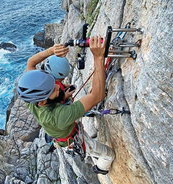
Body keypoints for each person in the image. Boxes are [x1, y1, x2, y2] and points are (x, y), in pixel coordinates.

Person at [16, 36, 115, 175]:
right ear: (43, 101)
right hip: (73, 139)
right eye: (53, 89)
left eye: (54, 82)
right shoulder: (59, 116)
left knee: (91, 148)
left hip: (64, 131)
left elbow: (30, 63)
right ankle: (101, 168)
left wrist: (51, 50)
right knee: (108, 155)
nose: (59, 87)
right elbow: (97, 96)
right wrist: (98, 58)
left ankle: (93, 155)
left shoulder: (32, 97)